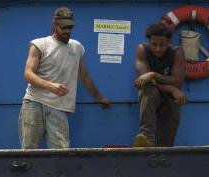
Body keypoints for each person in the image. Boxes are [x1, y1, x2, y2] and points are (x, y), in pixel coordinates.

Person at [19, 6, 111, 149]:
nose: (67, 31)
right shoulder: (39, 44)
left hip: (59, 107)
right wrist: (50, 86)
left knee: (62, 151)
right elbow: (28, 74)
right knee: (29, 150)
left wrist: (99, 98)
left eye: (70, 27)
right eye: (64, 28)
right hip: (34, 103)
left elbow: (84, 75)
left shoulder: (77, 47)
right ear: (54, 24)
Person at [132, 23, 187, 148]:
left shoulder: (177, 52)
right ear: (149, 42)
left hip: (170, 96)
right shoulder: (142, 50)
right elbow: (145, 82)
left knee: (175, 101)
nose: (157, 48)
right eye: (154, 44)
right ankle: (146, 139)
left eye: (162, 44)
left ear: (168, 42)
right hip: (153, 92)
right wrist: (171, 88)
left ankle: (165, 148)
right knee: (148, 90)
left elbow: (178, 82)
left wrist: (153, 75)